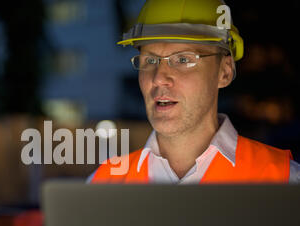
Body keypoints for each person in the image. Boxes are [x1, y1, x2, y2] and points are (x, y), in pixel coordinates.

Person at [89, 0, 300, 184]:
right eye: (150, 60)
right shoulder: (102, 184)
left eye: (182, 59)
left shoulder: (283, 181)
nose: (159, 78)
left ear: (224, 72)